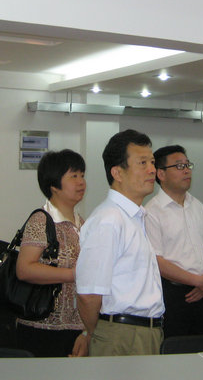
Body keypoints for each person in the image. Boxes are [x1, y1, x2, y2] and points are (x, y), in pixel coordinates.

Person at [75, 129, 164, 356]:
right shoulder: (109, 220)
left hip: (143, 331)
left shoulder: (133, 216)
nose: (152, 169)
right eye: (142, 163)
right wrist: (96, 334)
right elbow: (88, 295)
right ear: (117, 173)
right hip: (122, 335)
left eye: (152, 162)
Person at [15, 149, 89, 357]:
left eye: (82, 175)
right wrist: (72, 274)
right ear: (54, 184)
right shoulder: (41, 220)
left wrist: (87, 331)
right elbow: (24, 269)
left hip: (77, 328)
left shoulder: (84, 224)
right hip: (41, 327)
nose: (81, 182)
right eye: (73, 176)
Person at [145, 145, 203, 338]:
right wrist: (198, 281)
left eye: (188, 165)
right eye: (179, 166)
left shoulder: (196, 205)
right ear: (161, 174)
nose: (186, 170)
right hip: (174, 294)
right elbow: (157, 261)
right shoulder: (152, 211)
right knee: (177, 349)